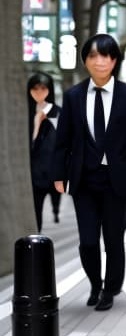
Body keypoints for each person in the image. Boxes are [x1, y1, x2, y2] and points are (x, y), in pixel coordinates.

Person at [53, 34, 126, 311]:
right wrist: (59, 175)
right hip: (84, 181)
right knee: (88, 241)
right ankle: (95, 283)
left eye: (105, 55)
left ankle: (110, 288)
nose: (100, 61)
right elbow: (63, 140)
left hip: (117, 181)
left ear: (114, 60)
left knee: (114, 239)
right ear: (85, 61)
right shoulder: (73, 96)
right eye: (93, 56)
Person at [27, 72, 61, 231]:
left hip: (52, 170)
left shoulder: (58, 113)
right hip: (33, 173)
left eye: (43, 88)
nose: (39, 92)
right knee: (35, 213)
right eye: (34, 88)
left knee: (55, 197)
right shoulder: (26, 113)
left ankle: (56, 210)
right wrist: (36, 123)